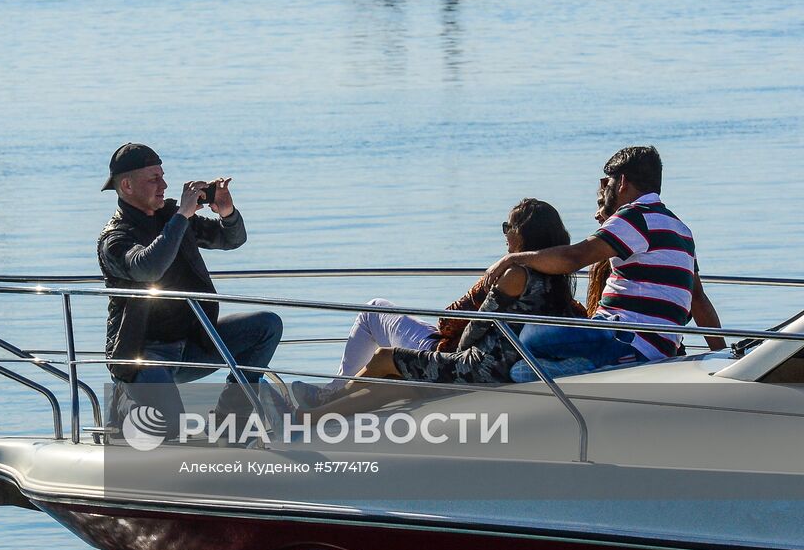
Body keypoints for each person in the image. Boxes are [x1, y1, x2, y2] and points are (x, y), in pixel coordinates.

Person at [303, 200, 583, 414]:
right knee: (399, 387)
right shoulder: (556, 279)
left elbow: (477, 324)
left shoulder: (516, 274)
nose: (505, 234)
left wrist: (452, 355)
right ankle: (313, 417)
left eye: (507, 227)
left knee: (384, 357)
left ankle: (327, 398)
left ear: (522, 234)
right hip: (506, 367)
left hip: (483, 369)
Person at [97, 143, 282, 436]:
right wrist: (182, 215)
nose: (164, 185)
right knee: (170, 427)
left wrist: (227, 211)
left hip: (194, 343)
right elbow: (148, 268)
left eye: (162, 176)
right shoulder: (115, 238)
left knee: (266, 326)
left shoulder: (172, 216)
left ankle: (230, 415)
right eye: (153, 179)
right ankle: (123, 404)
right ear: (127, 186)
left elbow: (231, 239)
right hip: (143, 355)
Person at [485, 146, 724, 372]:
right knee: (522, 373)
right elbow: (698, 299)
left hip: (626, 341)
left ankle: (599, 367)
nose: (606, 190)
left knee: (532, 334)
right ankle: (583, 369)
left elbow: (574, 257)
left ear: (622, 183)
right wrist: (723, 356)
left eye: (608, 183)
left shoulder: (634, 216)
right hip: (657, 347)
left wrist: (513, 259)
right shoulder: (681, 229)